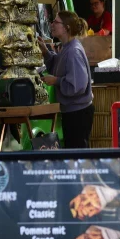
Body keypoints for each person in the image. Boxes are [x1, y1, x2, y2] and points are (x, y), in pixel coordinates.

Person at [37, 11, 94, 149]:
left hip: (78, 113)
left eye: (56, 22)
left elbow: (78, 85)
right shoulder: (66, 48)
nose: (52, 25)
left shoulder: (73, 51)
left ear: (66, 27)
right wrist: (45, 52)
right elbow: (58, 64)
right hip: (72, 111)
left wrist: (56, 80)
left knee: (77, 154)